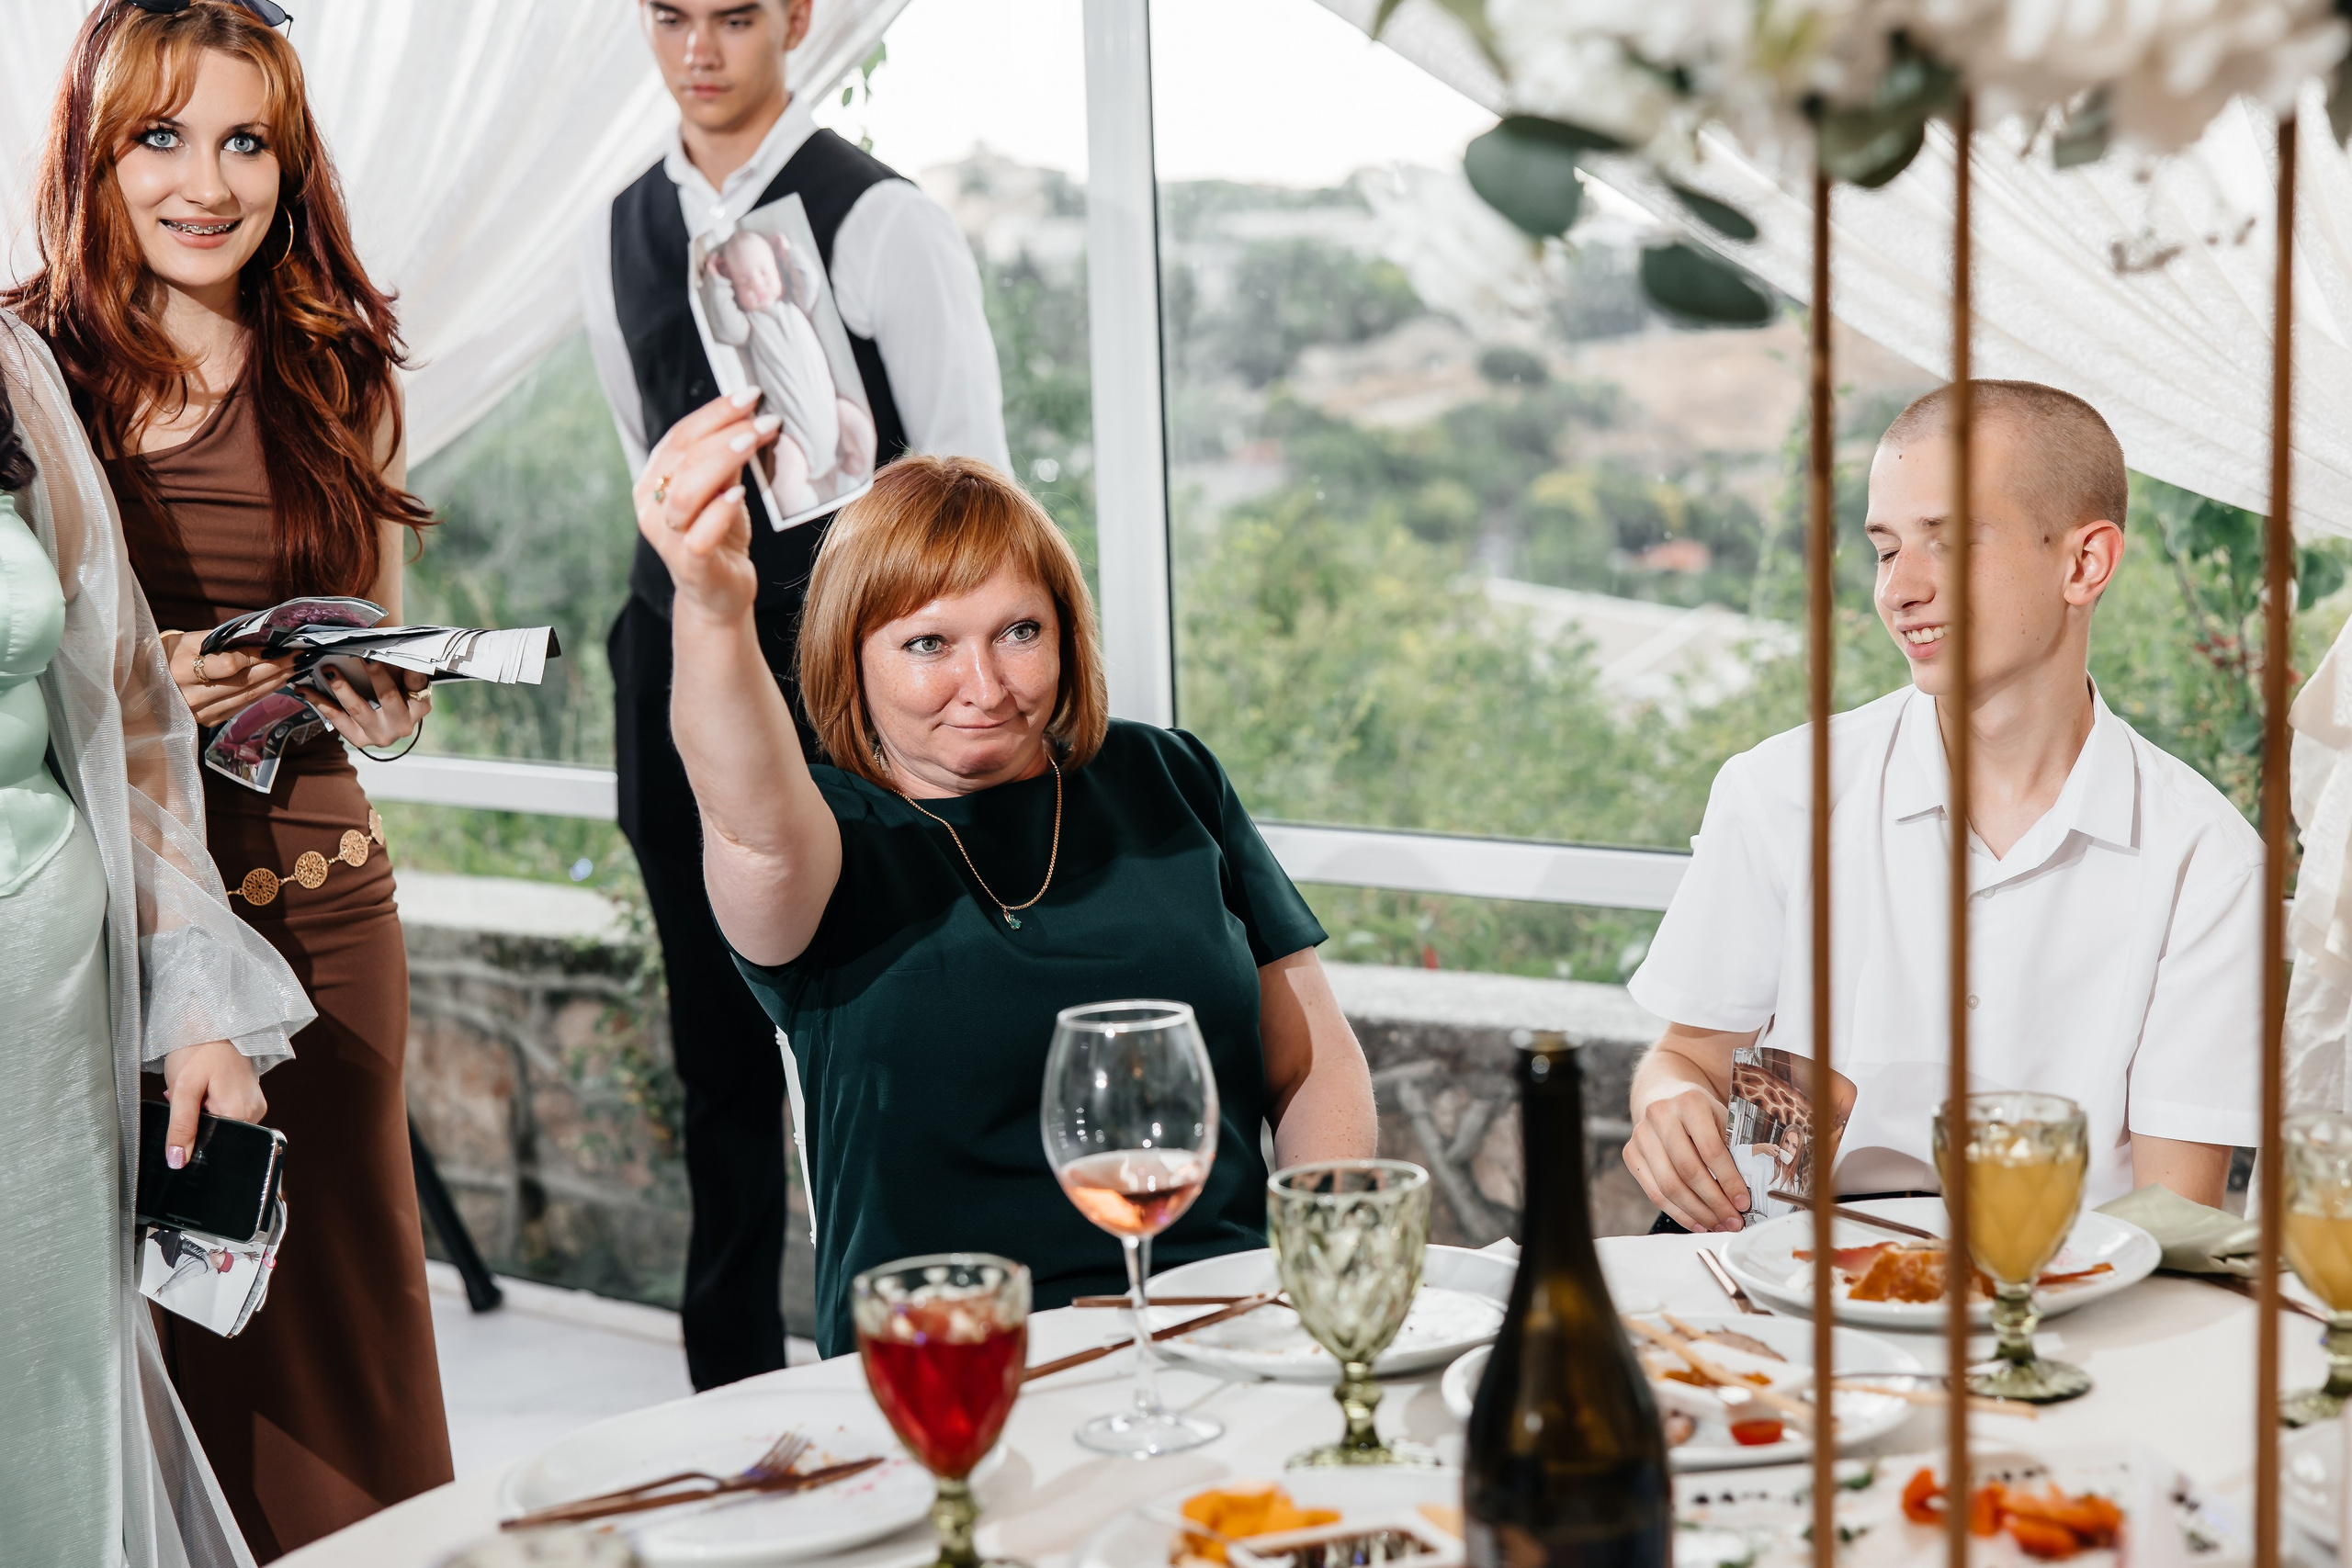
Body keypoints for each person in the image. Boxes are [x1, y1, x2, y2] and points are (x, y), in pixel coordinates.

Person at [634, 400, 1378, 1354]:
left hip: (1221, 1321)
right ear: (849, 657)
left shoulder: (1164, 778)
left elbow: (1310, 1060)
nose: (985, 686)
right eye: (928, 644)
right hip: (951, 1362)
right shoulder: (826, 834)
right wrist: (709, 603)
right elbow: (748, 821)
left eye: (1018, 631)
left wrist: (1322, 1265)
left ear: (1065, 632)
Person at [6, 3, 452, 1554]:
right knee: (147, 1345)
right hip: (109, 944)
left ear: (290, 159)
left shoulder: (341, 366)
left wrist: (385, 697)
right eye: (163, 137)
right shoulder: (20, 374)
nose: (210, 180)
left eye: (246, 139)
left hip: (328, 921)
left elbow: (384, 680)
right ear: (94, 151)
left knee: (349, 1338)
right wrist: (140, 691)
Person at [580, 0, 1008, 1388]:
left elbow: (975, 491)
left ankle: (917, 1367)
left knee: (883, 1029)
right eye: (671, 17)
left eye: (733, 15)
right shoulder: (615, 231)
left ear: (796, 21)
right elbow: (650, 457)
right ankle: (732, 1402)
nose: (699, 48)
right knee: (713, 1053)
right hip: (677, 665)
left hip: (857, 675)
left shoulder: (883, 221)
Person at [1623, 380, 2262, 1234]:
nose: (1899, 590)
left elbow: (2169, 1220)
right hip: (1783, 1278)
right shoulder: (1780, 793)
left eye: (1948, 543)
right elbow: (1688, 1056)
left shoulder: (2204, 859)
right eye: (1886, 550)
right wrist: (1668, 1102)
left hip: (2058, 1305)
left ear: (2085, 563)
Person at [0, 310, 313, 1568]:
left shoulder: (8, 369)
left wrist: (192, 997)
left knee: (50, 1442)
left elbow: (128, 706)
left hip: (41, 1011)